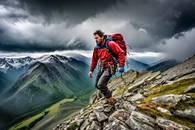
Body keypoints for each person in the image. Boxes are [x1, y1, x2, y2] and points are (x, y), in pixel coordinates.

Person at [88, 30, 125, 105]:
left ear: (102, 37)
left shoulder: (110, 44)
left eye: (97, 38)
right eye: (95, 38)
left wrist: (121, 66)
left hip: (111, 67)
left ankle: (111, 100)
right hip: (103, 67)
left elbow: (121, 53)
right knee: (97, 85)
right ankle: (108, 96)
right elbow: (94, 60)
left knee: (101, 84)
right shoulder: (97, 48)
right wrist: (91, 70)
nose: (96, 40)